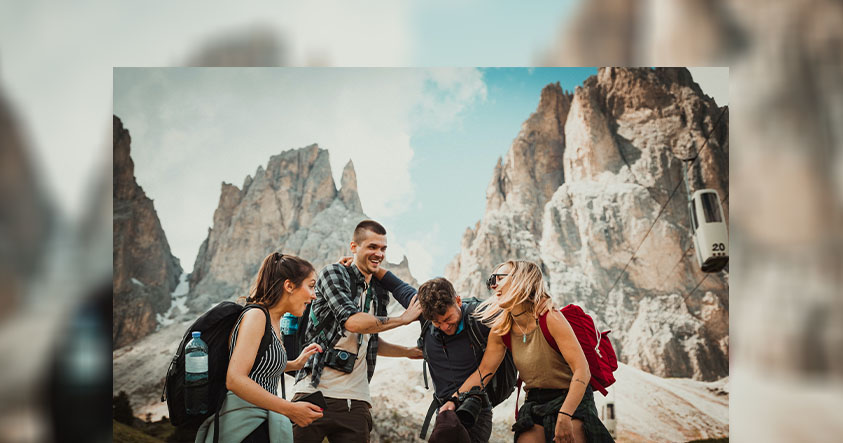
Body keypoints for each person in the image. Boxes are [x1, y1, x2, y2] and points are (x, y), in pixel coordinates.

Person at [443, 260, 614, 443]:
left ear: (521, 280)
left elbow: (582, 370)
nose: (493, 285)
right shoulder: (501, 329)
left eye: (499, 278)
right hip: (535, 401)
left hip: (571, 398)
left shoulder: (550, 318)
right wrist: (453, 400)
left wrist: (565, 415)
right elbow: (484, 371)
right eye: (492, 280)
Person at [292, 220, 423, 443]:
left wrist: (408, 351)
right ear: (354, 247)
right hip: (314, 393)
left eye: (383, 248)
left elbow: (368, 338)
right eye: (372, 247)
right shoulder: (333, 274)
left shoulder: (379, 291)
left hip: (356, 401)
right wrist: (402, 320)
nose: (379, 253)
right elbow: (352, 322)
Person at [195, 252, 326, 443]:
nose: (314, 295)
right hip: (243, 427)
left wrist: (294, 364)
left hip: (259, 422)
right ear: (289, 286)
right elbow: (235, 379)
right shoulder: (256, 316)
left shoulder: (273, 321)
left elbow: (259, 365)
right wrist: (290, 409)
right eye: (311, 286)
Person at [368, 273, 497, 443]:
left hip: (474, 411)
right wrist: (362, 264)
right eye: (437, 323)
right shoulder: (424, 314)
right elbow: (396, 286)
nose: (444, 327)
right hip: (444, 411)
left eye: (449, 319)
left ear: (458, 301)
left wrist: (454, 400)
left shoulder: (480, 318)